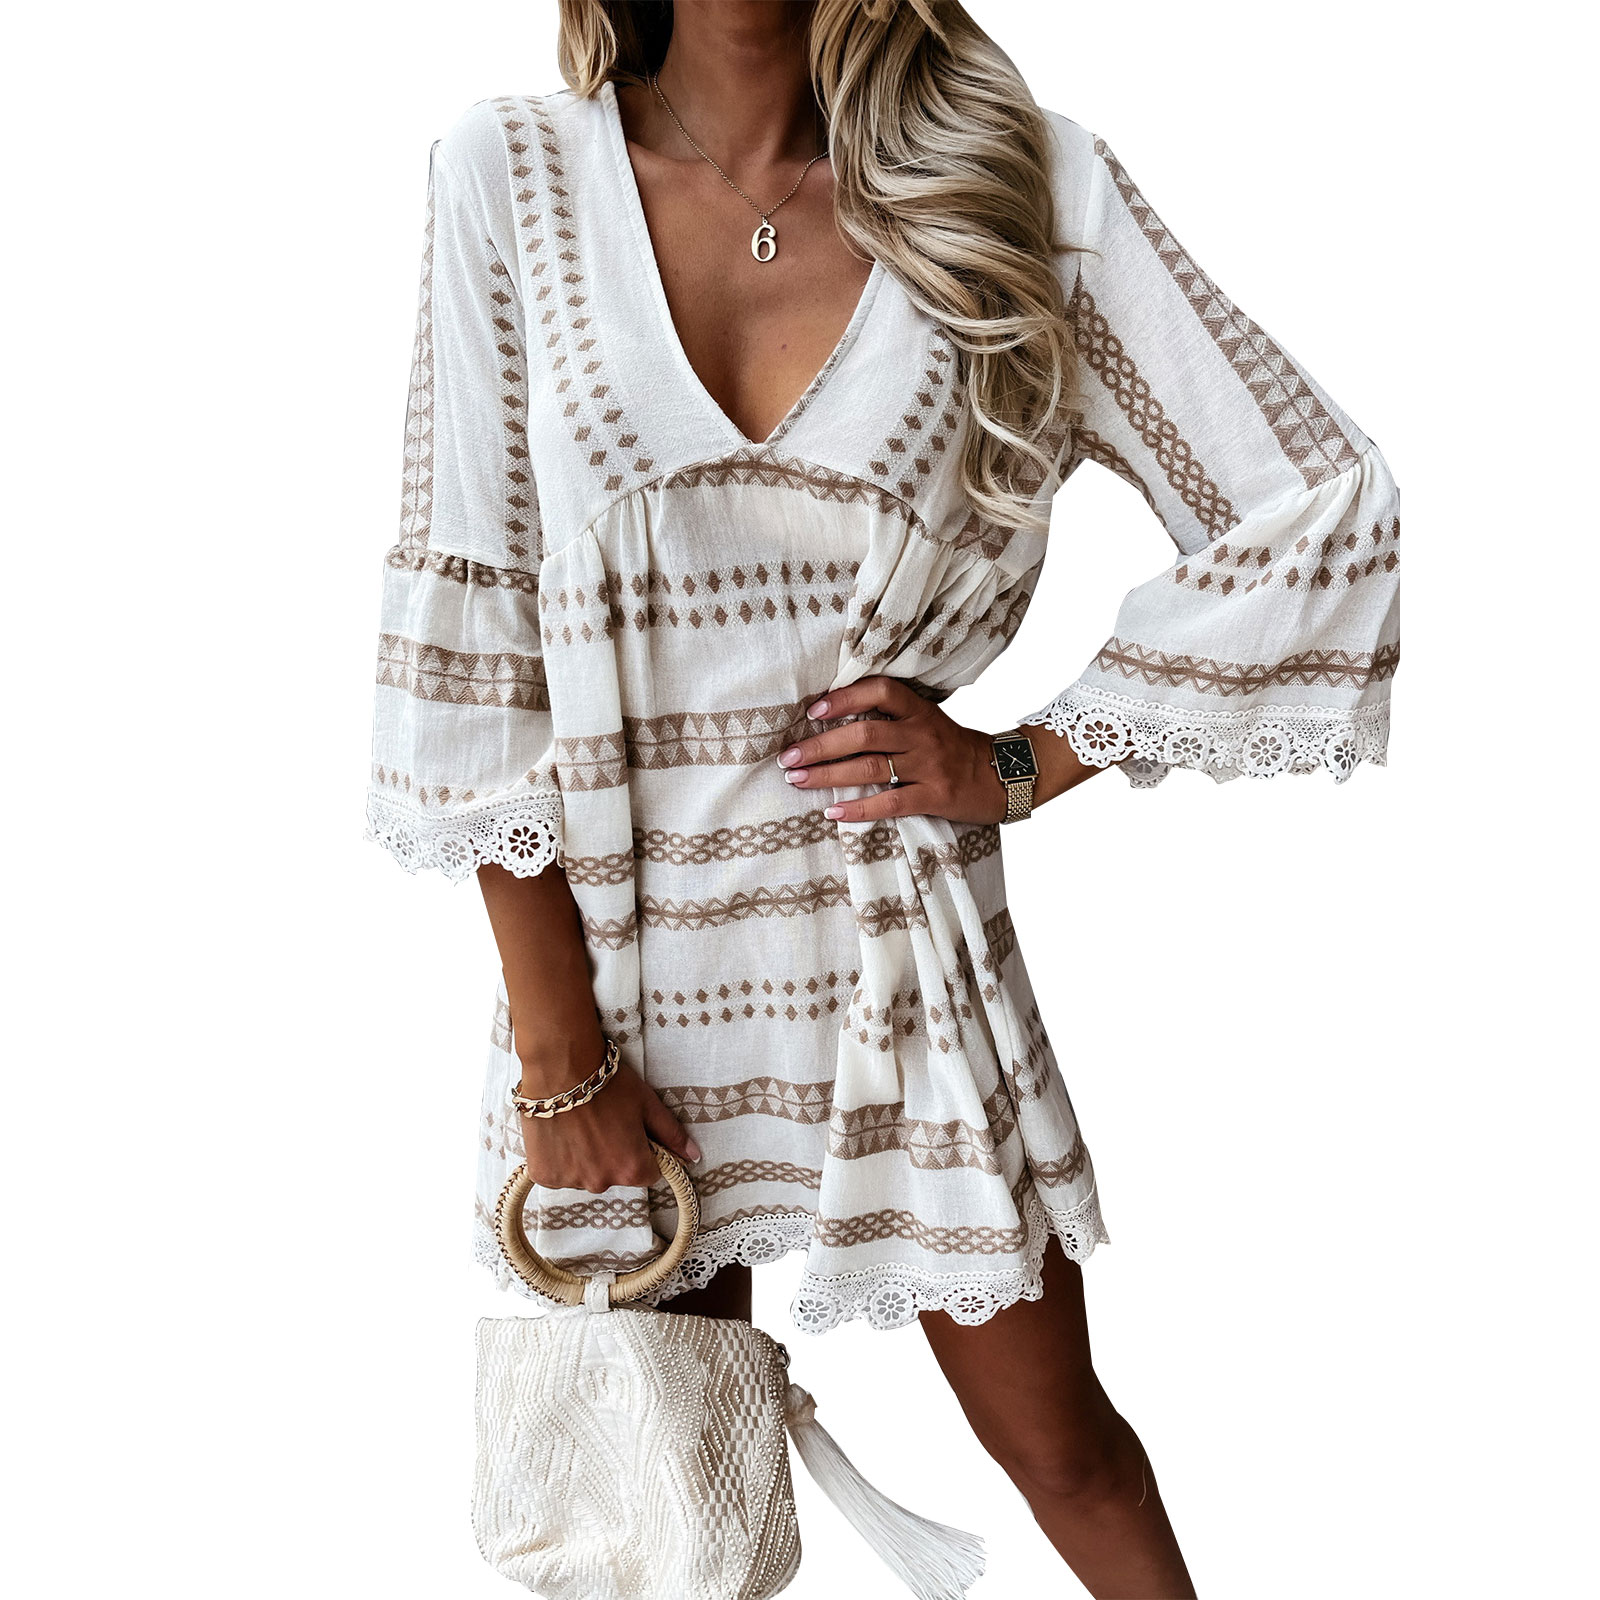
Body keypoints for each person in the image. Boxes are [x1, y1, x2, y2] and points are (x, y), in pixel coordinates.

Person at [364, 2, 1399, 1592]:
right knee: (669, 1540)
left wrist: (1019, 763)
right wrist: (562, 1059)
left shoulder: (1023, 187)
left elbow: (1321, 507)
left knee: (1067, 1456)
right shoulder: (507, 175)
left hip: (899, 954)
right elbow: (478, 631)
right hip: (619, 970)